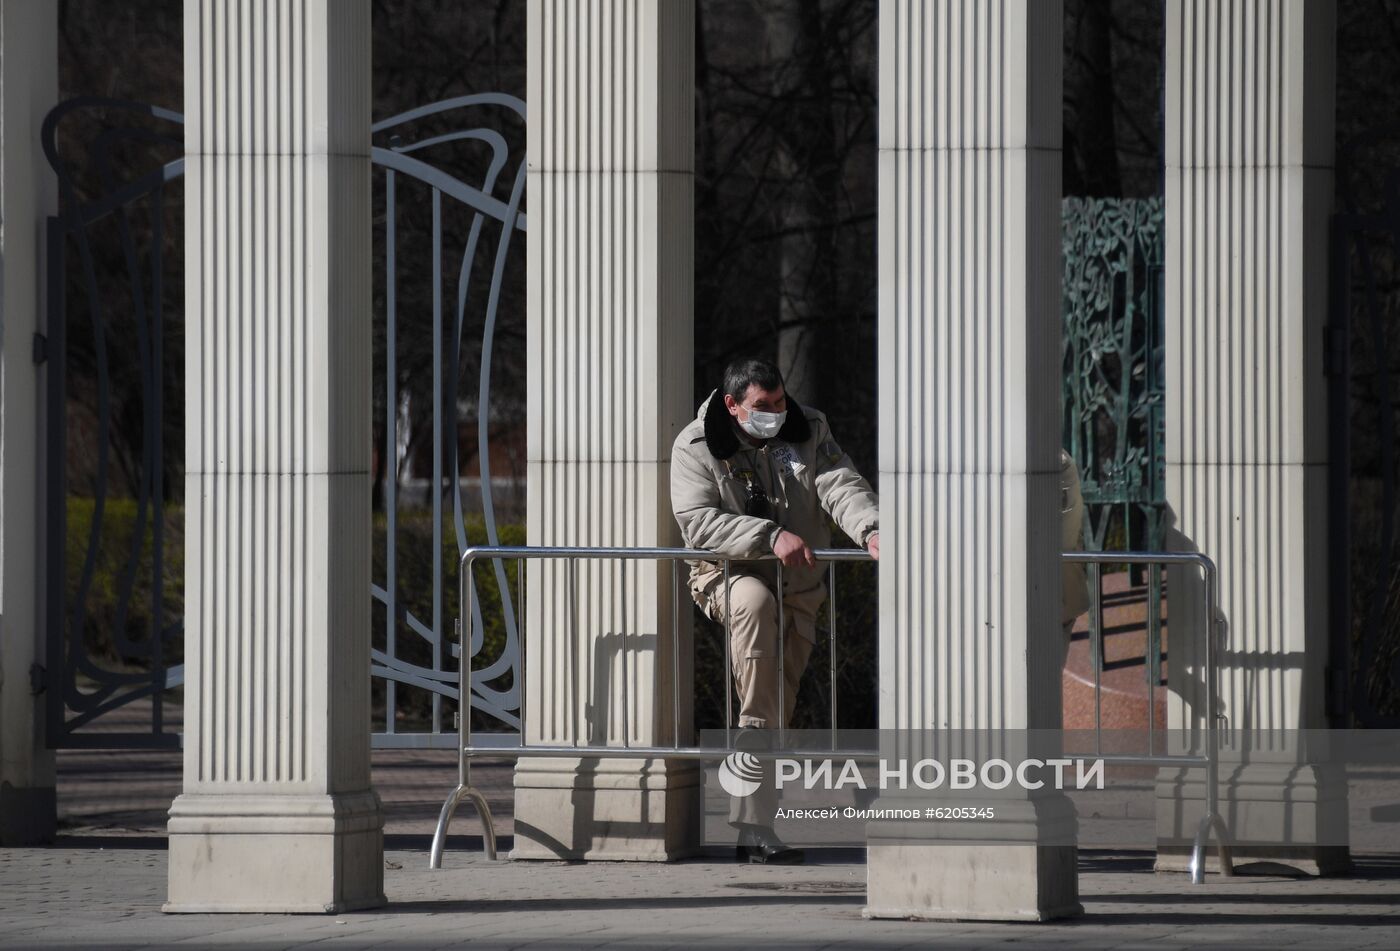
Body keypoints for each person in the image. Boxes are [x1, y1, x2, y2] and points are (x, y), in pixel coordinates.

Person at [670, 358, 880, 864]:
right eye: (762, 407)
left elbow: (837, 483)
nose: (776, 413)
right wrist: (768, 536)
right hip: (729, 577)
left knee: (771, 703)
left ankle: (753, 829)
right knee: (757, 621)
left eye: (780, 402)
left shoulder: (807, 428)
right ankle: (755, 826)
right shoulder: (696, 445)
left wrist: (873, 528)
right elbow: (698, 523)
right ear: (733, 405)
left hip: (799, 588)